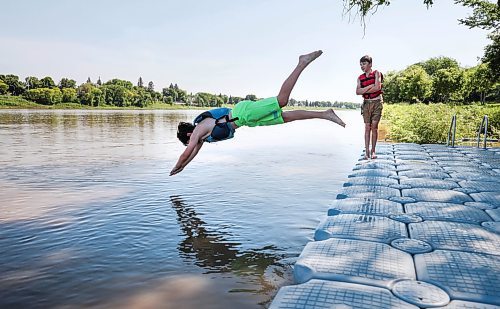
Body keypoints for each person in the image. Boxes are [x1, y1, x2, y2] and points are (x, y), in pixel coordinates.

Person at [170, 50, 346, 176]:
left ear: (189, 135)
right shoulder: (201, 138)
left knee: (282, 100)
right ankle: (325, 114)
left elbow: (186, 153)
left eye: (189, 142)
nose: (191, 144)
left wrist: (176, 166)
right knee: (286, 117)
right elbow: (191, 155)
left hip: (243, 113)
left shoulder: (198, 129)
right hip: (247, 121)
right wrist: (183, 167)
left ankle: (301, 63)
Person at [356, 55, 383, 160]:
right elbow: (357, 91)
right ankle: (366, 151)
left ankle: (373, 151)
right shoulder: (360, 78)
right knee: (367, 127)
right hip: (366, 104)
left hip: (377, 103)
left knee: (374, 127)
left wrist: (365, 89)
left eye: (364, 64)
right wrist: (369, 87)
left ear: (370, 64)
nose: (362, 66)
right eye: (361, 64)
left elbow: (378, 87)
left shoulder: (377, 73)